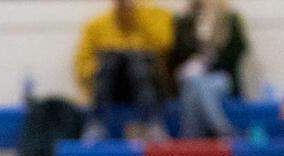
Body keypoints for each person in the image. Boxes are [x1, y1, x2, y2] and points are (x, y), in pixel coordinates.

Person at [75, 0, 174, 142]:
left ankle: (152, 123)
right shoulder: (96, 25)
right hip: (112, 85)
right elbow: (82, 63)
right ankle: (96, 124)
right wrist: (101, 67)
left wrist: (138, 16)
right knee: (110, 59)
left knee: (137, 61)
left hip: (149, 83)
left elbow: (165, 47)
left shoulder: (157, 15)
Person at [171, 0, 248, 139]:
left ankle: (190, 138)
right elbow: (176, 53)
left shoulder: (230, 20)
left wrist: (209, 63)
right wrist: (195, 60)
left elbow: (238, 51)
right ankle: (222, 130)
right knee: (195, 84)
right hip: (192, 76)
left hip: (221, 76)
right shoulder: (185, 22)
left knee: (197, 86)